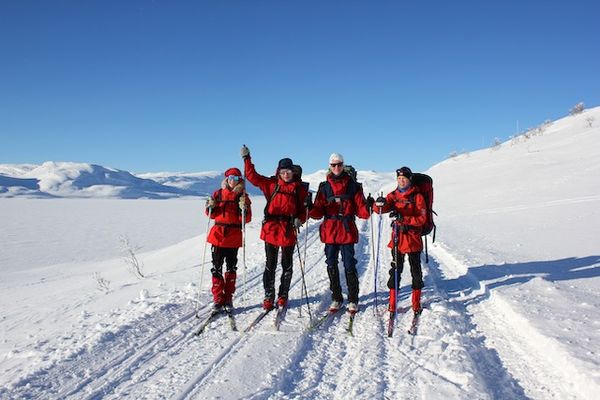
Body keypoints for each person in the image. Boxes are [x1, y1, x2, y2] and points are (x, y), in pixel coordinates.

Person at [241, 145, 309, 310]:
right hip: (271, 229)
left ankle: (283, 295)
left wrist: (300, 219)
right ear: (278, 172)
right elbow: (252, 176)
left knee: (287, 265)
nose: (286, 174)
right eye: (283, 171)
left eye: (289, 171)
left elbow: (305, 210)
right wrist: (247, 159)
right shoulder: (270, 184)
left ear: (293, 172)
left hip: (288, 230)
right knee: (270, 264)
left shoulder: (299, 189)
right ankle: (268, 295)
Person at [309, 153, 371, 313]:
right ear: (329, 166)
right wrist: (309, 207)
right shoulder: (324, 187)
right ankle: (336, 297)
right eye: (333, 165)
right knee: (331, 264)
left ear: (343, 165)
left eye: (339, 164)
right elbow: (317, 213)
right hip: (330, 230)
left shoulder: (354, 186)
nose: (336, 167)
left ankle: (353, 299)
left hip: (346, 230)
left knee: (349, 264)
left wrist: (369, 206)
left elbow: (363, 213)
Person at [370, 166, 427, 315]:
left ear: (409, 179)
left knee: (416, 271)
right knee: (395, 270)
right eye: (399, 179)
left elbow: (422, 218)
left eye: (404, 178)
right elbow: (379, 210)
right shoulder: (393, 195)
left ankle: (416, 303)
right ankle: (392, 303)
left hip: (413, 239)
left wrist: (405, 218)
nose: (401, 181)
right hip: (397, 239)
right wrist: (378, 203)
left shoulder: (418, 197)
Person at [205, 167, 252, 311]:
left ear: (240, 181)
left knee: (231, 267)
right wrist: (209, 207)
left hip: (233, 236)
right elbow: (211, 215)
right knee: (216, 267)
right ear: (226, 179)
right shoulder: (217, 194)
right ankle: (218, 298)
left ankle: (228, 298)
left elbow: (246, 219)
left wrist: (244, 208)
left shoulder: (243, 196)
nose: (233, 181)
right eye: (231, 178)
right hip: (218, 235)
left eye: (236, 178)